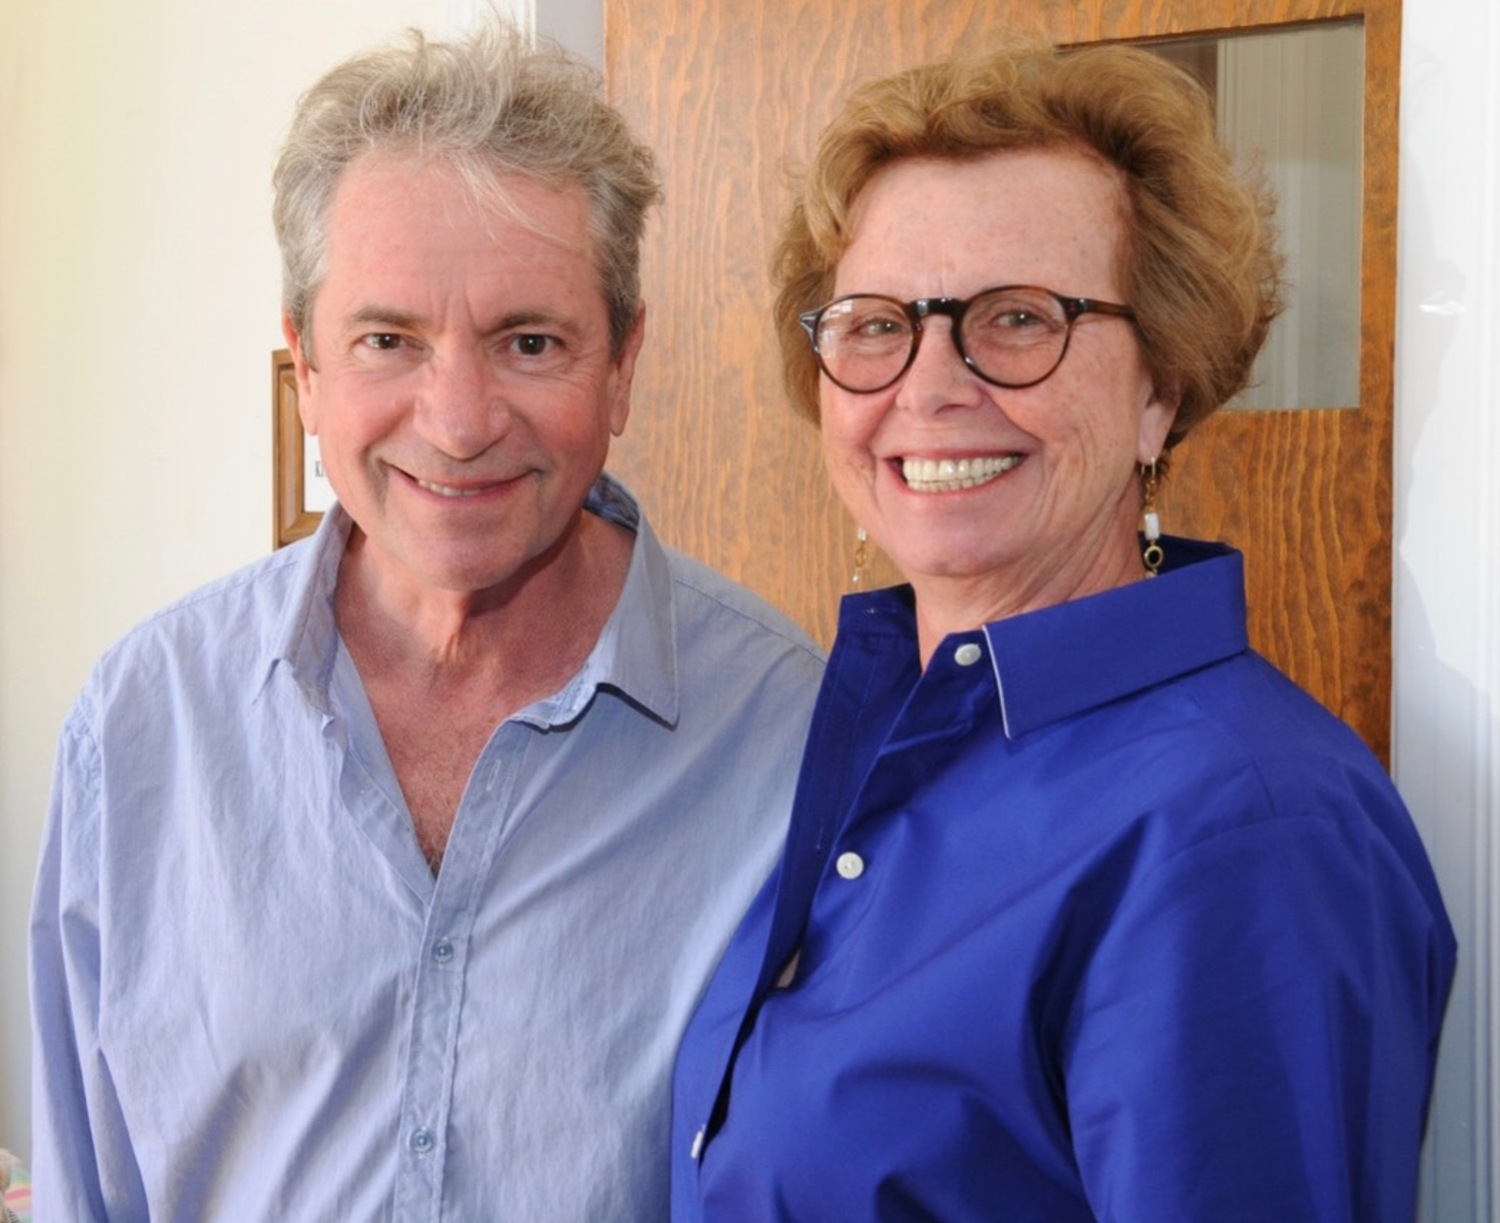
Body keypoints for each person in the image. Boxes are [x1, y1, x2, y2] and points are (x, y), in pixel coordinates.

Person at [29, 19, 824, 1220]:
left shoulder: (791, 737)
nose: (457, 421)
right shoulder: (144, 724)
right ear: (306, 370)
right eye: (388, 339)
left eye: (530, 341)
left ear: (622, 365)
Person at [671, 42, 1456, 1222]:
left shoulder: (1245, 825)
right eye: (878, 323)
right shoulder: (878, 730)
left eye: (1019, 318)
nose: (931, 384)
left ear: (1162, 386)